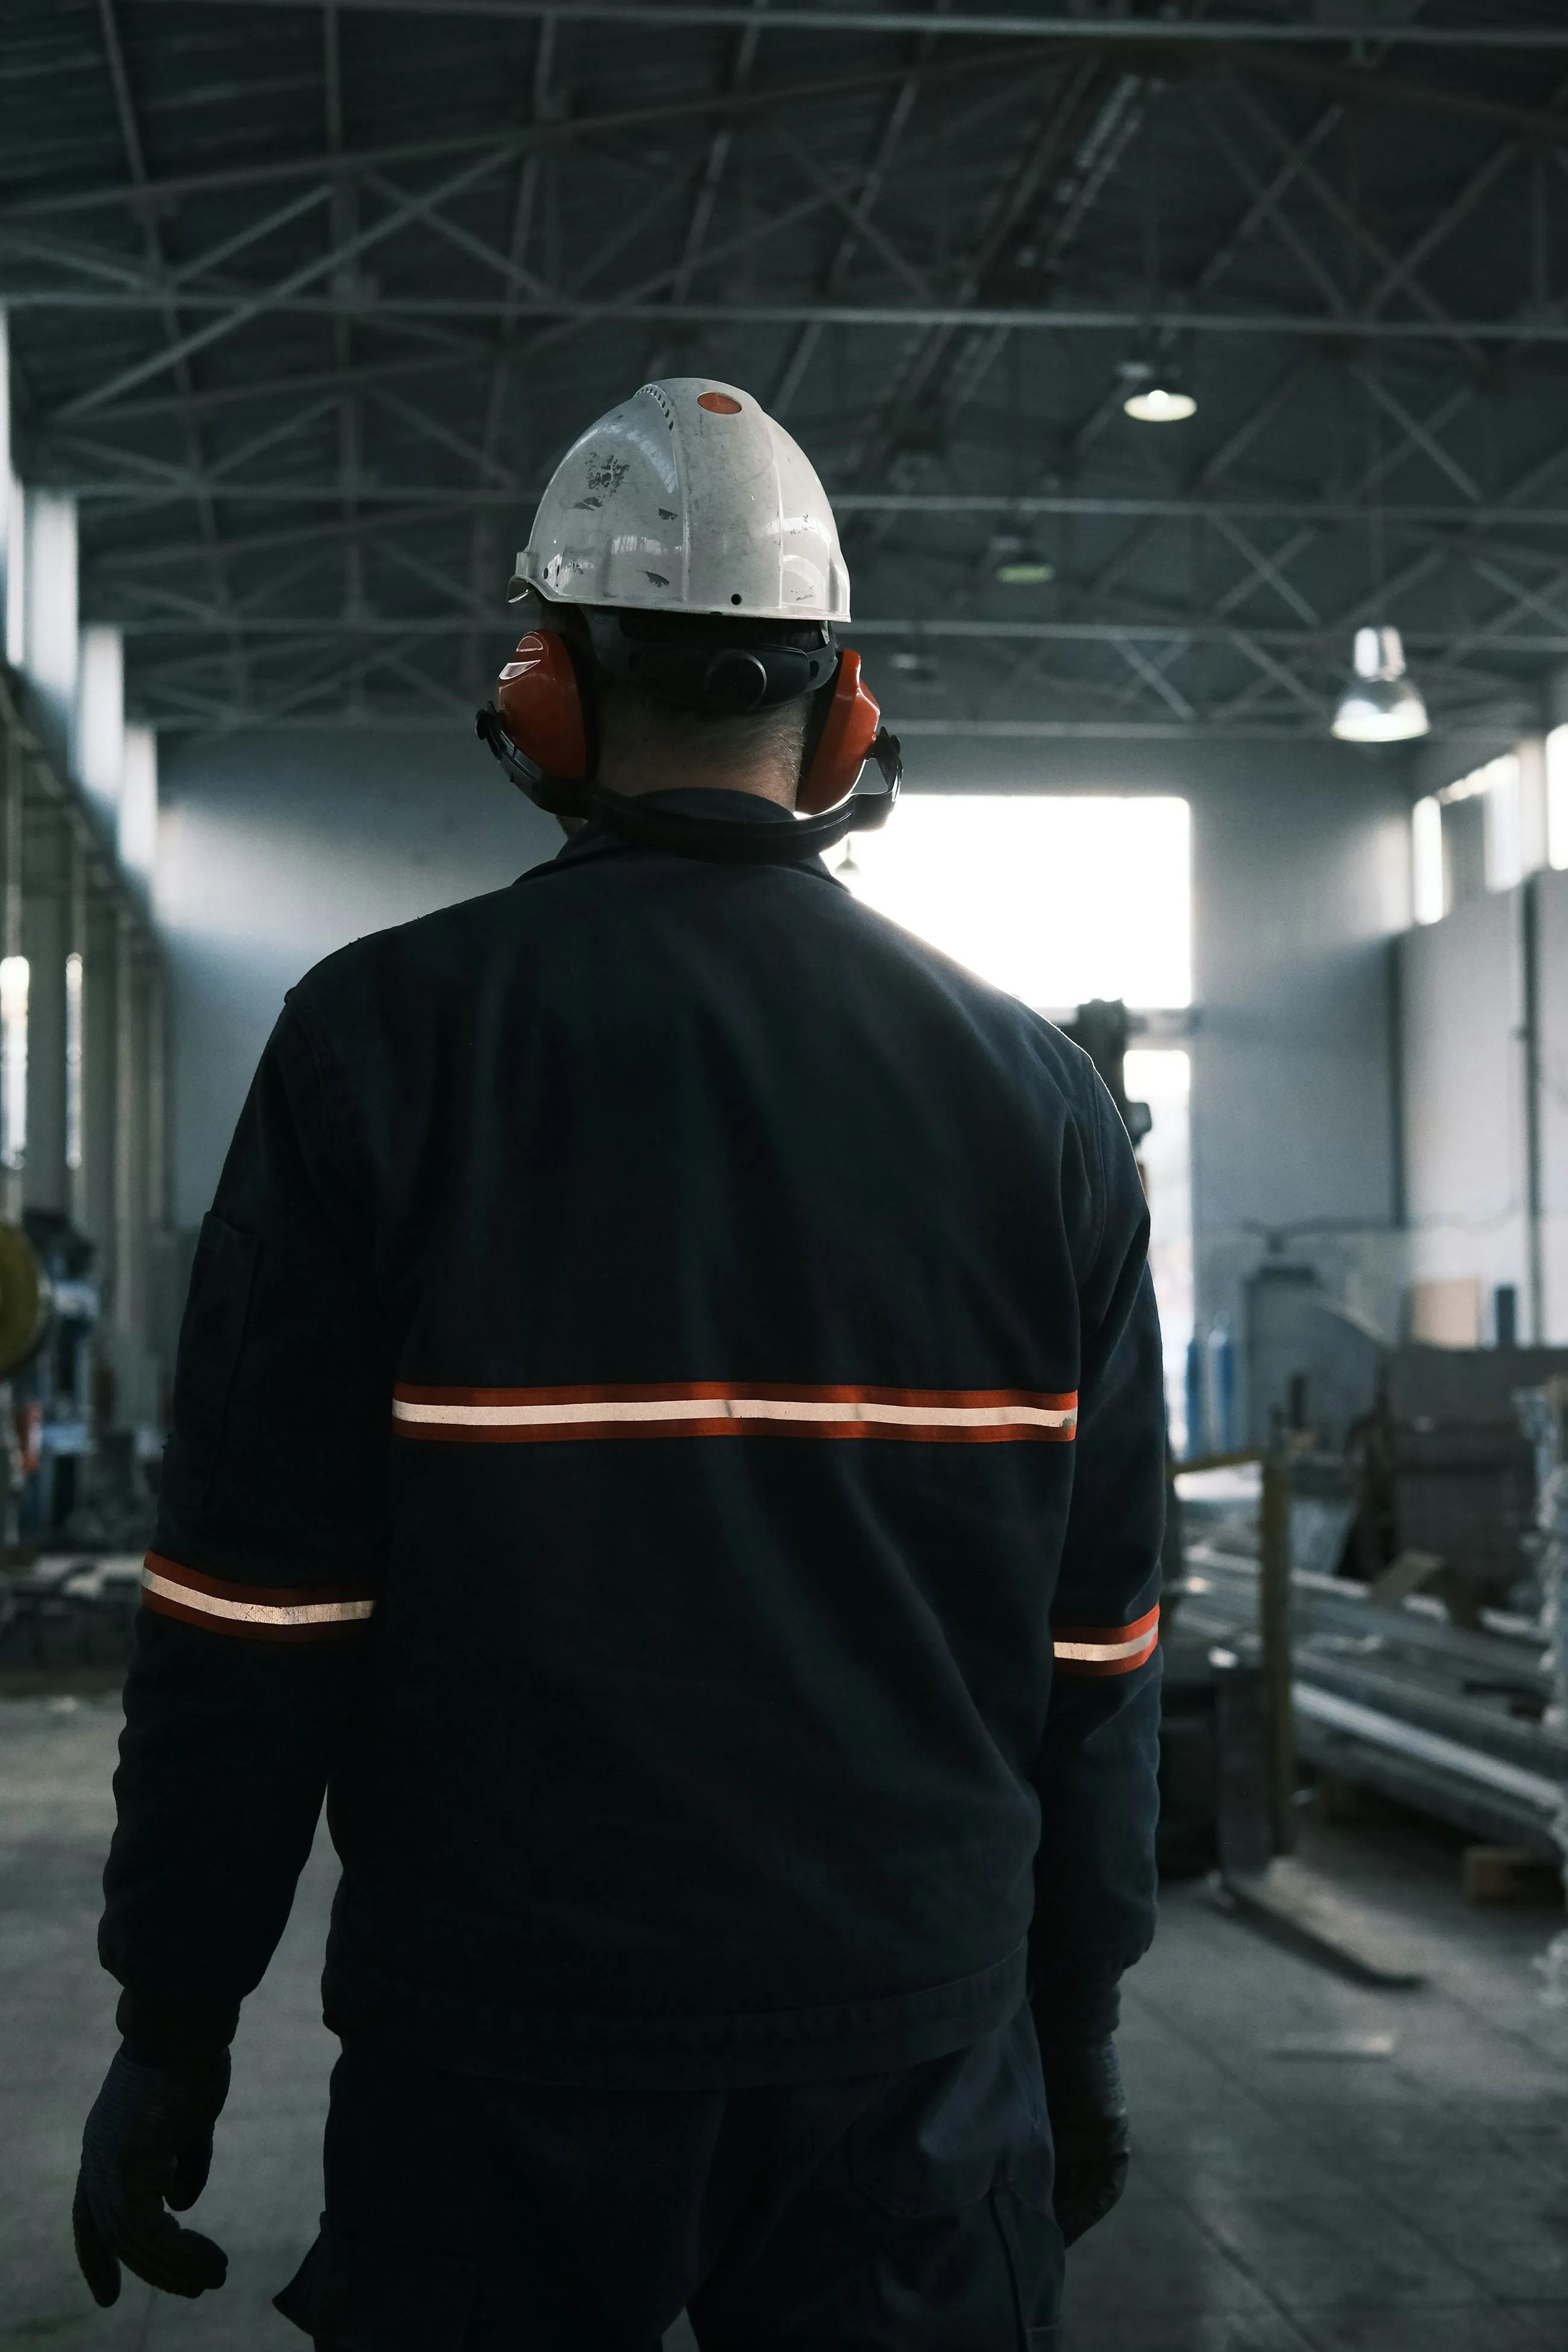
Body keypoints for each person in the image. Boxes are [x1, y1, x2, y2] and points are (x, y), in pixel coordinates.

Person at [74, 378, 1164, 2351]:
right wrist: (1074, 2019)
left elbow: (253, 1604)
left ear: (546, 691)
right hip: (911, 2047)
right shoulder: (1044, 1106)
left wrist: (175, 2017)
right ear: (847, 711)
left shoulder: (373, 1049)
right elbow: (1101, 1648)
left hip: (499, 2054)